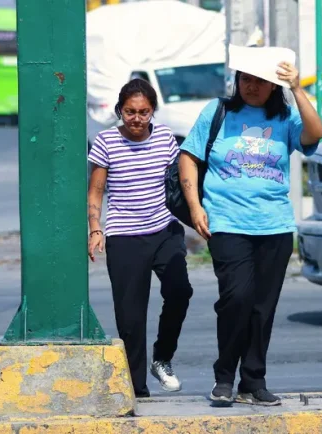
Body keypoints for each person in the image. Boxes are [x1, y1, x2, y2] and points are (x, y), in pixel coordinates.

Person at [178, 60, 322, 406]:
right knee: (237, 299)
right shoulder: (218, 112)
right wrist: (195, 206)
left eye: (260, 81)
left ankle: (253, 381)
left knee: (262, 308)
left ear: (273, 86)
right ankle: (224, 377)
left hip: (274, 227)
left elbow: (314, 135)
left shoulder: (284, 118)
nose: (251, 86)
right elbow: (189, 156)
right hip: (227, 223)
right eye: (245, 79)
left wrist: (298, 89)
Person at [87, 78, 193, 398]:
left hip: (164, 229)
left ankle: (162, 358)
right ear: (120, 110)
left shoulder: (164, 138)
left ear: (152, 112)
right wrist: (95, 228)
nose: (136, 119)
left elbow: (180, 180)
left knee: (180, 291)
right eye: (130, 112)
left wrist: (197, 214)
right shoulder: (106, 142)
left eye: (143, 112)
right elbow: (96, 190)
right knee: (131, 318)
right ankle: (138, 388)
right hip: (125, 236)